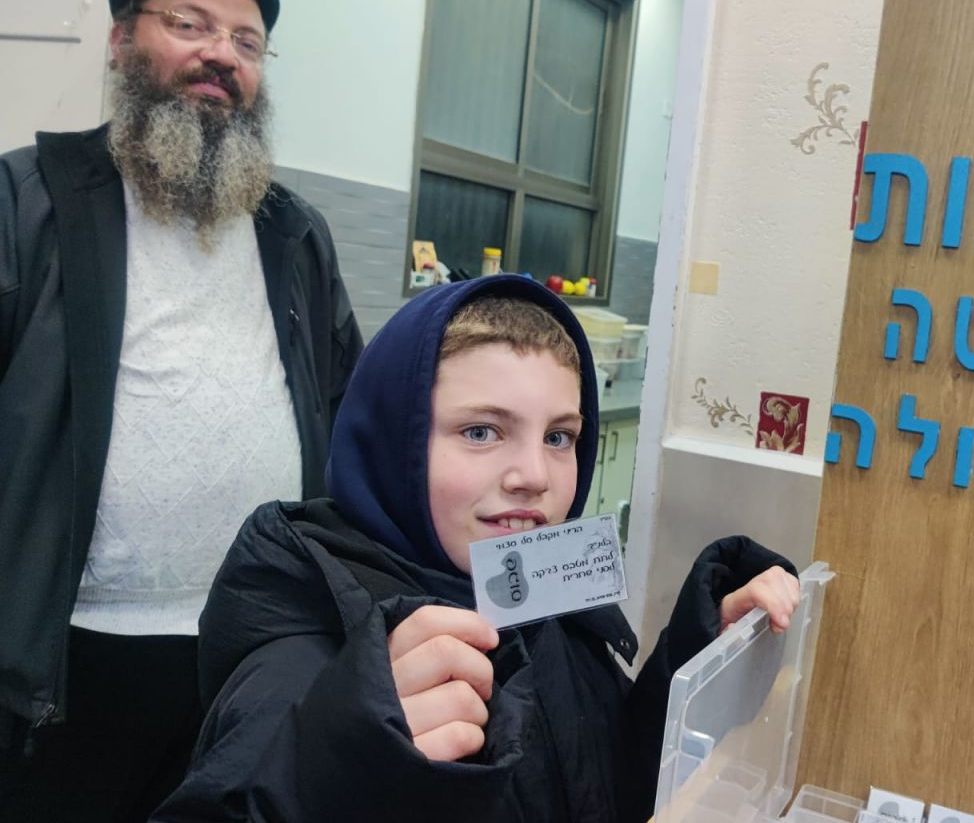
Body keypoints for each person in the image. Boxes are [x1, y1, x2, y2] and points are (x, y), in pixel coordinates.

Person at [153, 274, 798, 822]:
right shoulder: (306, 650)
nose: (535, 476)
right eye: (482, 431)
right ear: (394, 444)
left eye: (559, 437)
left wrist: (696, 659)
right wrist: (338, 762)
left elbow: (600, 782)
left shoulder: (543, 600)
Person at [0, 0, 362, 821]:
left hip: (253, 644)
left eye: (246, 41)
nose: (220, 55)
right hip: (69, 655)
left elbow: (347, 404)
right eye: (190, 24)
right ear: (122, 40)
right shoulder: (30, 199)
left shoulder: (292, 231)